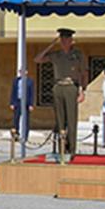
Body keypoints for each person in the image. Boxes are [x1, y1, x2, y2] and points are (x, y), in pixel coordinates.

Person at [34, 28, 87, 161]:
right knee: (60, 120)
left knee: (71, 119)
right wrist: (51, 45)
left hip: (71, 87)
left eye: (66, 39)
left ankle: (72, 149)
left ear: (71, 40)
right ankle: (61, 148)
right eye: (62, 39)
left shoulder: (78, 55)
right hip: (58, 86)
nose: (64, 42)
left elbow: (83, 74)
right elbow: (38, 59)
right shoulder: (56, 54)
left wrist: (82, 91)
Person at [9, 68, 35, 145]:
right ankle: (16, 135)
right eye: (20, 71)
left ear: (27, 72)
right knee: (16, 119)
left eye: (23, 71)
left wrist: (31, 104)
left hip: (26, 103)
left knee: (26, 120)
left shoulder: (30, 81)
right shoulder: (16, 81)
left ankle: (25, 137)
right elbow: (13, 92)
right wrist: (12, 103)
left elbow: (31, 93)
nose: (22, 73)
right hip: (18, 102)